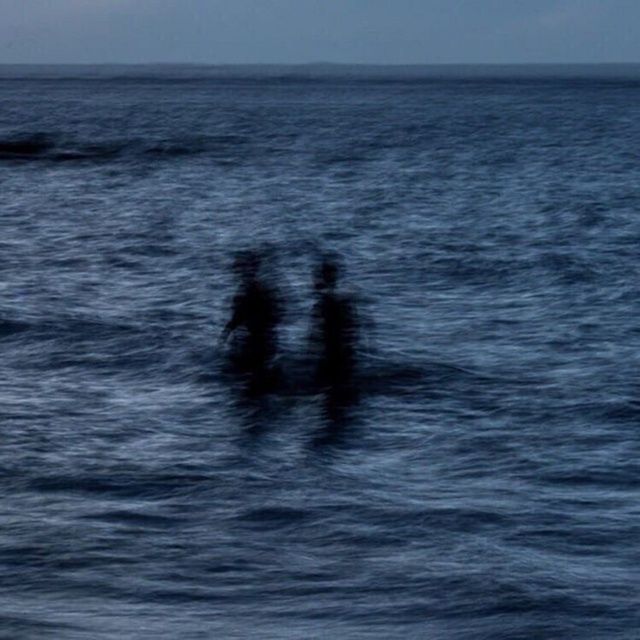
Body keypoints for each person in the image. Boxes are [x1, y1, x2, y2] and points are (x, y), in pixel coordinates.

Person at [221, 251, 281, 390]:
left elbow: (237, 317)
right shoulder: (256, 290)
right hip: (259, 339)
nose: (239, 273)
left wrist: (227, 333)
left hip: (257, 340)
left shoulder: (253, 291)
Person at [310, 258, 358, 392]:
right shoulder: (342, 298)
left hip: (333, 345)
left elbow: (318, 326)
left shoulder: (329, 299)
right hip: (339, 346)